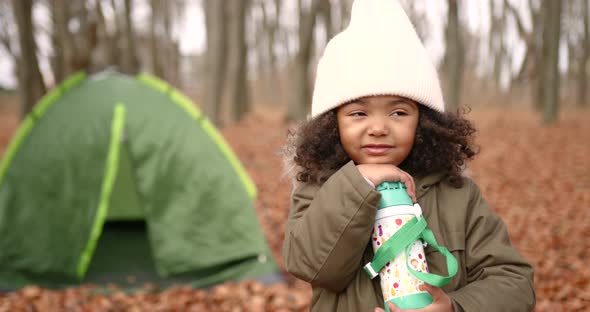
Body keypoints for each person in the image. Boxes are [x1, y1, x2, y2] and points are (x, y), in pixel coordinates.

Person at [281, 0, 536, 311]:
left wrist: (455, 307)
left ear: (425, 122)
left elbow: (514, 283)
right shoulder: (318, 187)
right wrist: (358, 185)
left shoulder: (457, 195)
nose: (378, 128)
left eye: (399, 112)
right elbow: (312, 266)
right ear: (331, 124)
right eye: (358, 113)